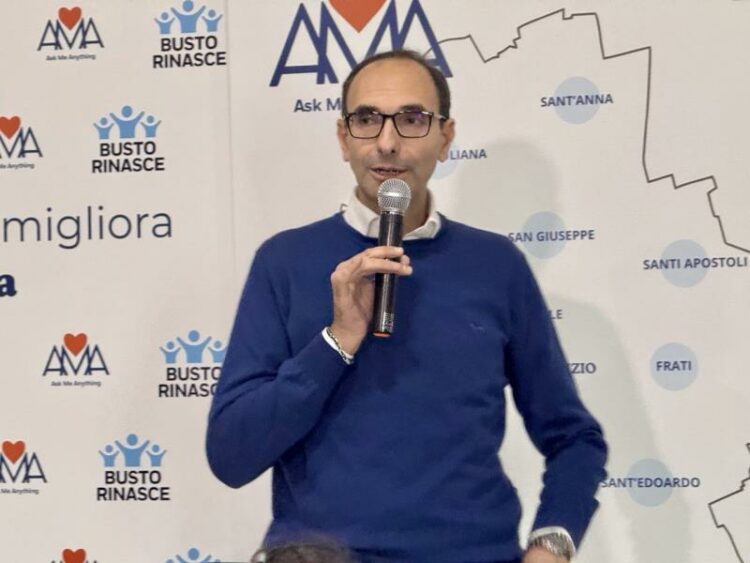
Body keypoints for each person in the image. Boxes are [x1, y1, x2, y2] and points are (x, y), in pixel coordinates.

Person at [206, 49, 607, 563]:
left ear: (446, 137)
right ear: (343, 138)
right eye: (367, 119)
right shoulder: (284, 262)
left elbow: (574, 438)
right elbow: (232, 455)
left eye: (412, 119)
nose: (388, 142)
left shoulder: (496, 265)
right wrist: (336, 341)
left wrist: (552, 545)